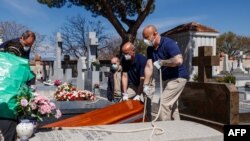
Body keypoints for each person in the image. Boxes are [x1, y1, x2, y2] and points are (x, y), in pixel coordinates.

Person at [142, 25, 189, 121]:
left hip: (177, 77)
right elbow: (149, 66)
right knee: (172, 105)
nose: (145, 40)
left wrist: (163, 62)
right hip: (164, 79)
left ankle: (164, 131)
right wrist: (145, 85)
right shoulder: (150, 49)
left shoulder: (168, 43)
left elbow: (178, 60)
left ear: (155, 34)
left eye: (147, 37)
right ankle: (178, 129)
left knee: (163, 103)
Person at [0, 30, 36, 141]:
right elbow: (16, 68)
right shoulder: (12, 47)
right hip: (8, 98)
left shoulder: (23, 48)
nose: (28, 47)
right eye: (26, 44)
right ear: (21, 38)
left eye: (30, 45)